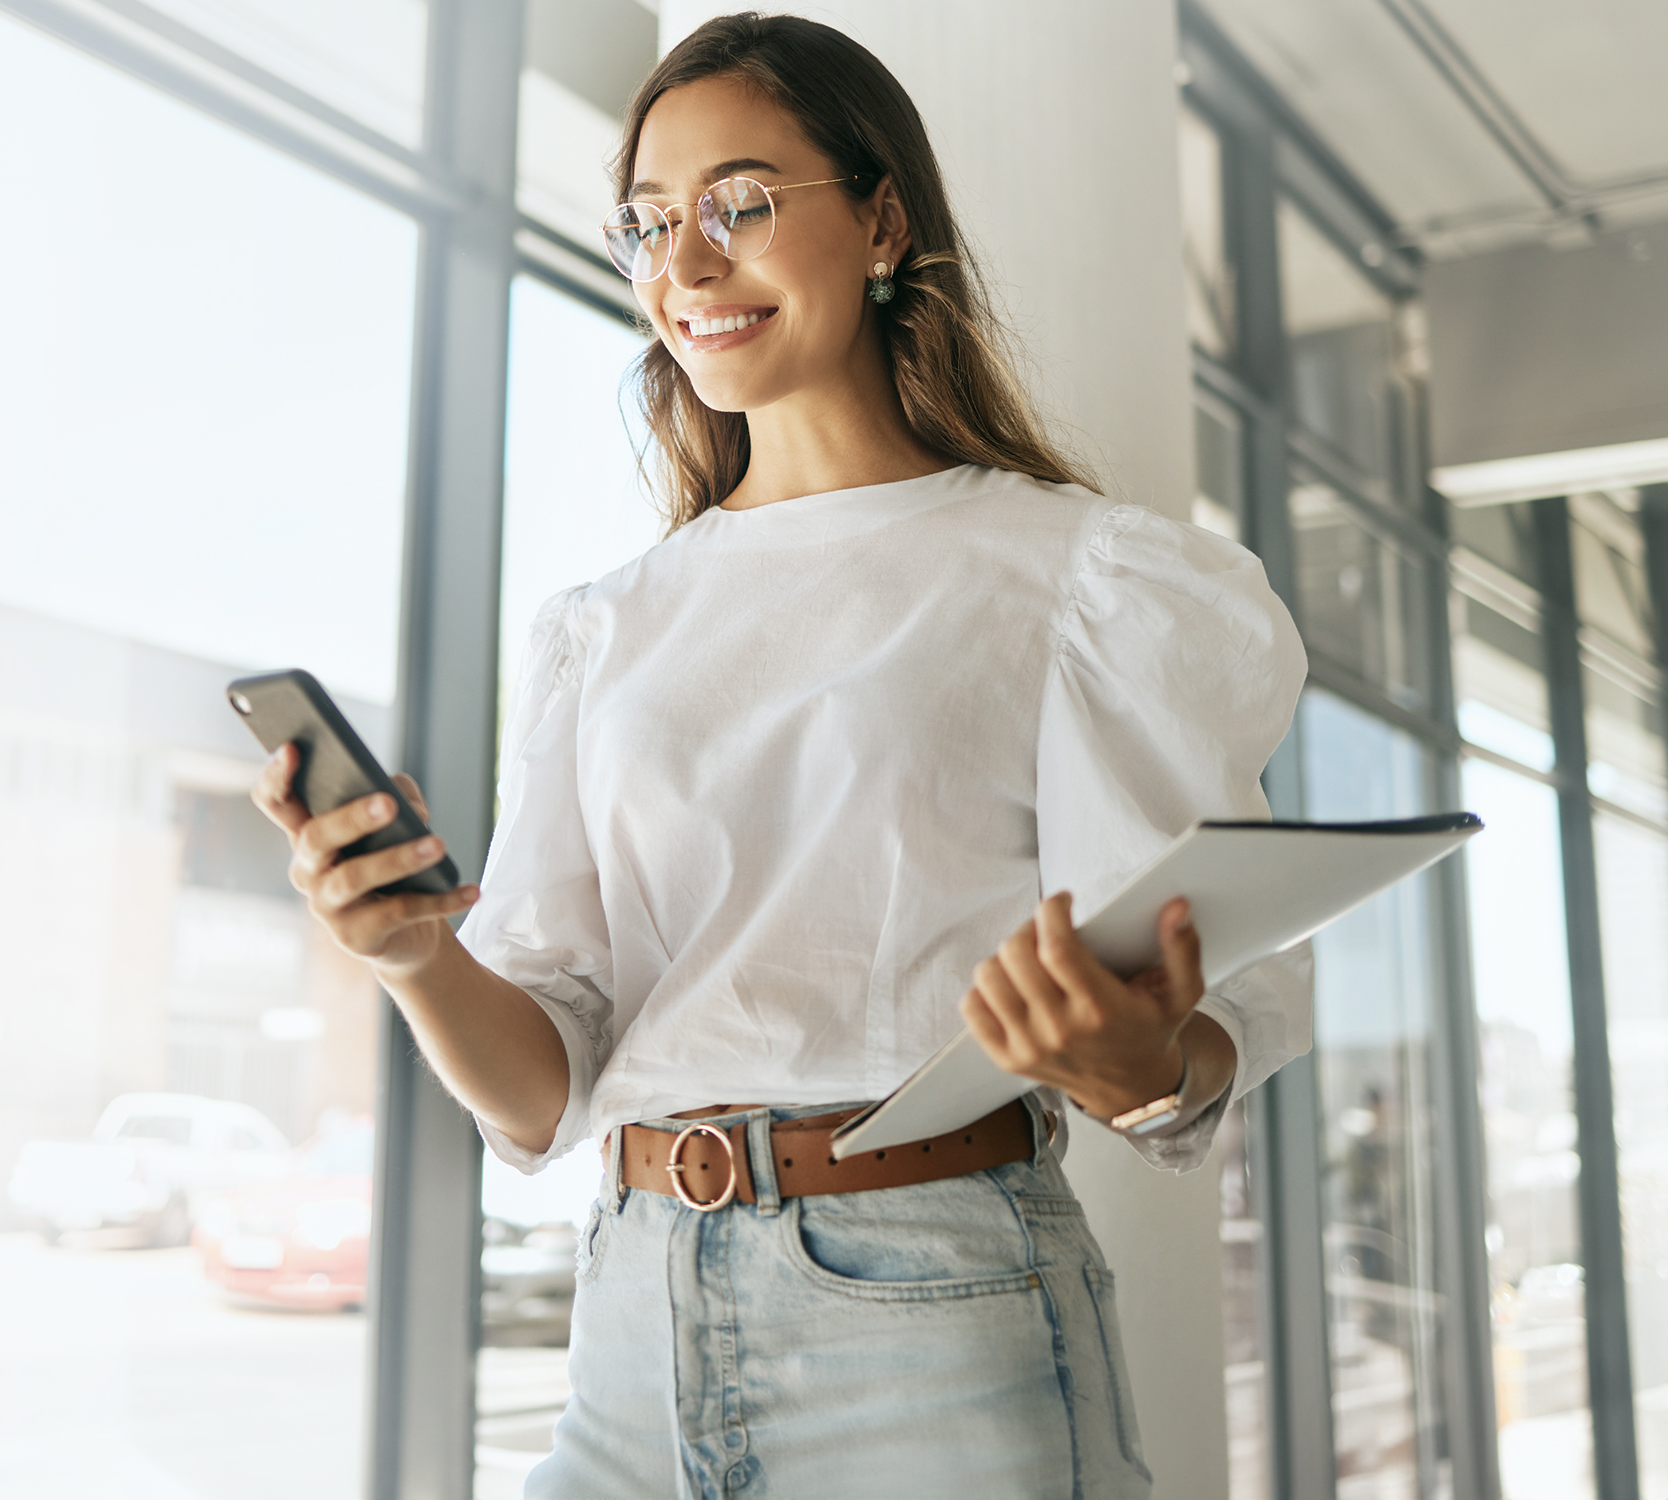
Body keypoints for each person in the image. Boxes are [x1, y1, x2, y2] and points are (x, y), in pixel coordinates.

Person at [254, 13, 1309, 1498]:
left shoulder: (1078, 579)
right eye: (648, 223)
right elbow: (549, 1091)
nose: (684, 266)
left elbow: (1228, 997)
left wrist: (1143, 1065)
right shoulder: (605, 629)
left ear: (882, 220)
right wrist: (419, 953)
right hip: (629, 1321)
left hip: (929, 1321)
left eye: (739, 204)